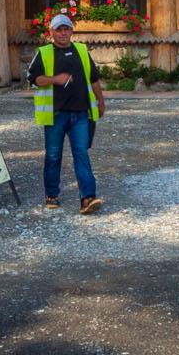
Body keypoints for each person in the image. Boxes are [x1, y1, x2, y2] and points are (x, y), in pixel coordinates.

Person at [28, 12, 105, 213]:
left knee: (81, 154)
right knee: (53, 155)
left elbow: (93, 78)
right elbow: (33, 80)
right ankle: (51, 194)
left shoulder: (81, 50)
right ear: (51, 32)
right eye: (59, 29)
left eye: (66, 29)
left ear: (71, 31)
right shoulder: (44, 53)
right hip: (55, 115)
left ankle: (88, 198)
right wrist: (55, 79)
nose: (63, 33)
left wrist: (101, 100)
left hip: (80, 114)